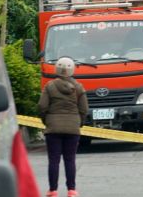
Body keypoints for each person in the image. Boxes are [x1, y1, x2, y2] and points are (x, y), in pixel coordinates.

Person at [38, 56, 87, 197]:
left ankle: (52, 190)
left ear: (57, 69)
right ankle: (71, 190)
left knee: (54, 160)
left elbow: (42, 106)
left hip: (53, 128)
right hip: (72, 128)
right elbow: (83, 109)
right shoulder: (79, 87)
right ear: (72, 70)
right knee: (70, 159)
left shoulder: (49, 86)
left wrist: (46, 121)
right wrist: (79, 123)